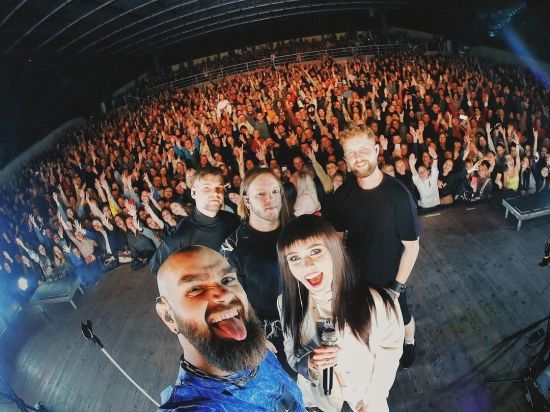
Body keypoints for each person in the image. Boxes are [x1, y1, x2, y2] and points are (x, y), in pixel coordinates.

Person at [277, 215, 404, 411]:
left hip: (365, 399)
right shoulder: (287, 303)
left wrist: (372, 399)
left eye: (315, 251)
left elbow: (389, 353)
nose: (307, 265)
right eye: (294, 258)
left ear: (335, 250)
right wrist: (309, 364)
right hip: (319, 400)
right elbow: (290, 350)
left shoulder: (377, 301)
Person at [155, 246, 305, 411]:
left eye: (227, 280)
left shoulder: (258, 351)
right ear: (168, 316)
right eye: (195, 289)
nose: (225, 294)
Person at [326, 126, 420, 368]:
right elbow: (337, 238)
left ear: (377, 150)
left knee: (402, 315)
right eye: (351, 153)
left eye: (363, 150)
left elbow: (412, 248)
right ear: (345, 159)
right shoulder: (342, 195)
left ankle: (409, 342)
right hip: (356, 276)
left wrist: (396, 289)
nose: (358, 157)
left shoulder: (399, 195)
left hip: (391, 278)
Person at [220, 168, 294, 376]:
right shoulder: (232, 248)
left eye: (275, 191)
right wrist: (254, 337)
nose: (270, 199)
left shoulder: (298, 232)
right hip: (267, 337)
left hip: (304, 325)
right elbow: (231, 303)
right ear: (247, 200)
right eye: (261, 194)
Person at [151, 167, 240, 276]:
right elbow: (155, 267)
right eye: (206, 187)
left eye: (219, 187)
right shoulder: (181, 237)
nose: (215, 193)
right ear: (193, 192)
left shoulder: (234, 220)